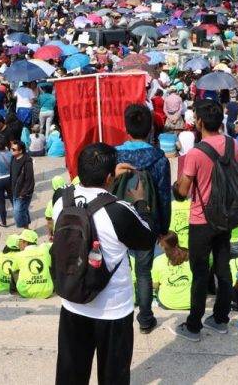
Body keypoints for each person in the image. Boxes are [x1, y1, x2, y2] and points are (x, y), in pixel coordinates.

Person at [51, 143, 155, 385]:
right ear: (110, 177)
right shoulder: (119, 211)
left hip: (73, 303)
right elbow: (147, 238)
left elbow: (74, 185)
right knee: (113, 376)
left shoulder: (61, 202)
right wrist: (140, 202)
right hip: (113, 310)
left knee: (70, 374)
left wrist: (103, 174)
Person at [170, 99, 238, 342]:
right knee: (223, 268)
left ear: (200, 122)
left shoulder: (195, 153)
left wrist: (176, 187)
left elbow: (183, 191)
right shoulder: (232, 144)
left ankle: (193, 325)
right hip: (226, 215)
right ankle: (220, 319)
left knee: (200, 272)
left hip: (202, 220)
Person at [116, 103, 172, 334]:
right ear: (150, 128)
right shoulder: (159, 158)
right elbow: (164, 195)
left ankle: (117, 314)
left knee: (117, 269)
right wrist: (163, 227)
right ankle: (146, 318)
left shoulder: (114, 154)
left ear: (126, 127)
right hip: (147, 221)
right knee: (143, 272)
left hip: (117, 219)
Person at [151, 231, 192, 310]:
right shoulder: (190, 255)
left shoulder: (158, 260)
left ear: (161, 246)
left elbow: (154, 285)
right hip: (190, 302)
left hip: (168, 303)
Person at [10, 229, 53, 299]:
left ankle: (13, 291)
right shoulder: (45, 250)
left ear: (25, 242)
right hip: (47, 291)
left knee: (15, 270)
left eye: (20, 241)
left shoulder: (19, 255)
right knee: (48, 265)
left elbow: (13, 270)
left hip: (26, 292)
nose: (18, 244)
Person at [9, 140, 34, 229]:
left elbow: (30, 180)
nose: (11, 150)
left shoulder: (27, 163)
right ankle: (27, 229)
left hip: (22, 193)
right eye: (11, 148)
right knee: (23, 210)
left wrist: (23, 193)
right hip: (14, 190)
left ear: (20, 151)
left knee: (18, 212)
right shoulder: (13, 158)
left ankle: (26, 229)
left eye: (13, 149)